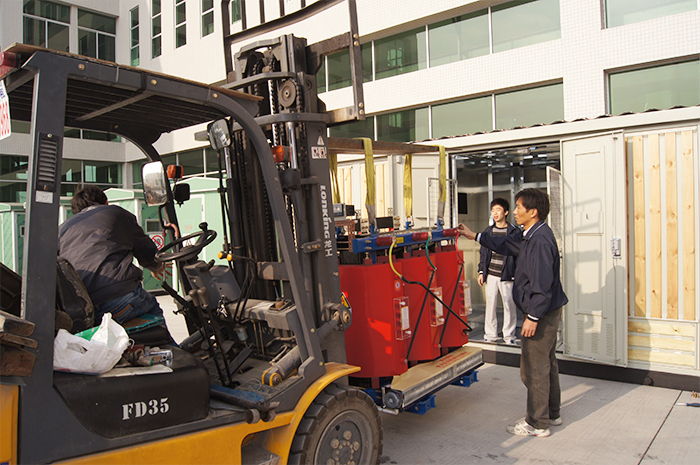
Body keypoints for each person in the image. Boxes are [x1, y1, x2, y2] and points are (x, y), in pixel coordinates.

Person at [458, 188, 568, 438]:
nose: (514, 211)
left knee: (534, 368)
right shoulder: (530, 234)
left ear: (533, 212)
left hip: (541, 312)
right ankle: (552, 413)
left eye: (519, 208)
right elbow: (504, 243)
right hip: (545, 310)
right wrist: (475, 236)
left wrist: (532, 317)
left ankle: (537, 423)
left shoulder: (540, 241)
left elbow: (541, 284)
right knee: (547, 363)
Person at [58, 185, 172, 330]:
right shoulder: (116, 213)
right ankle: (172, 351)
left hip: (83, 310)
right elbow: (143, 247)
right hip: (120, 297)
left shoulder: (64, 228)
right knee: (152, 311)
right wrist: (155, 266)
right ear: (106, 202)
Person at [478, 198, 520, 344]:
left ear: (506, 212)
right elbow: (483, 253)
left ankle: (509, 336)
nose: (495, 213)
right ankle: (491, 335)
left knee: (509, 305)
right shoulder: (488, 231)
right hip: (491, 275)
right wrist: (481, 272)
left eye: (498, 210)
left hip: (507, 275)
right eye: (493, 210)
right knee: (491, 305)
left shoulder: (514, 232)